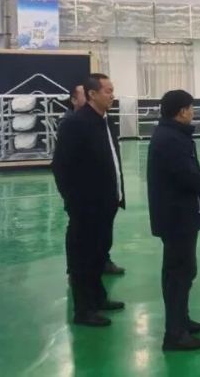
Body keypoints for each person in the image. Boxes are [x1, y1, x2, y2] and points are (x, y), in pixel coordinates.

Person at [52, 73, 126, 327]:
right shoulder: (75, 124)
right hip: (86, 206)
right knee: (83, 258)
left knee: (98, 254)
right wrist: (74, 202)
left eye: (112, 90)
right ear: (92, 94)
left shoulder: (105, 120)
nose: (112, 95)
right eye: (108, 91)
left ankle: (98, 298)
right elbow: (61, 167)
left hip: (107, 202)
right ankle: (84, 310)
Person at [147, 90, 200, 351]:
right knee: (178, 274)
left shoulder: (172, 134)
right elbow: (186, 176)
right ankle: (175, 335)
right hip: (177, 218)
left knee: (184, 271)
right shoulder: (171, 139)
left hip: (179, 216)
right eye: (190, 108)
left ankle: (181, 321)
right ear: (182, 111)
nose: (193, 113)